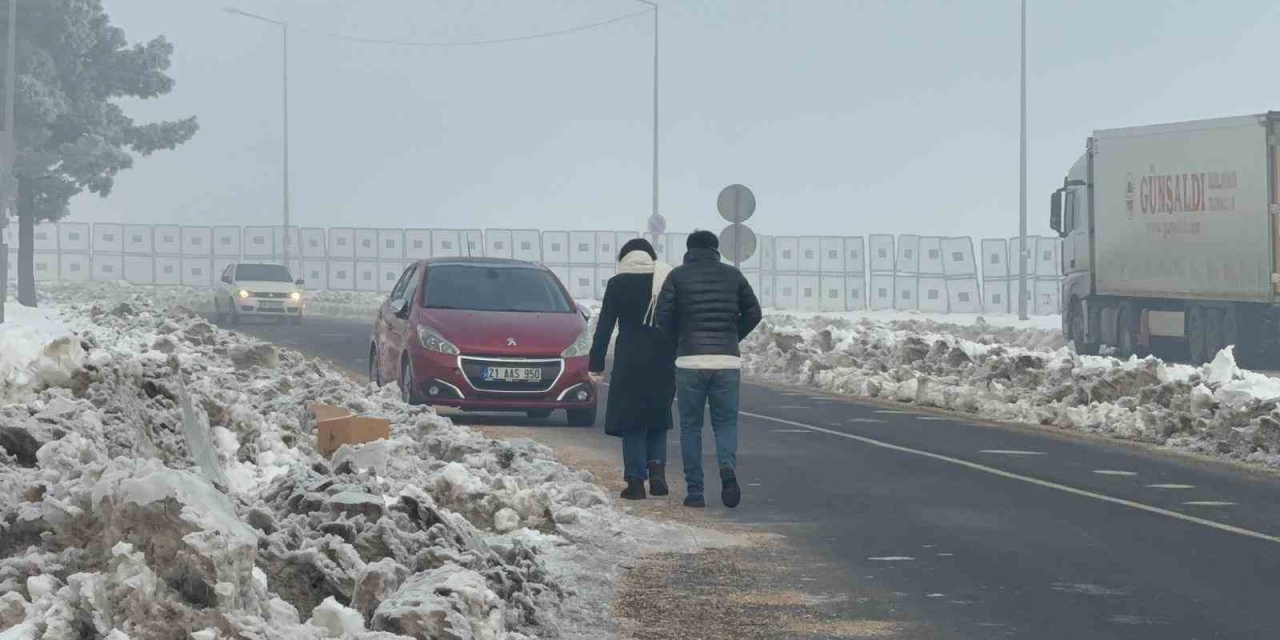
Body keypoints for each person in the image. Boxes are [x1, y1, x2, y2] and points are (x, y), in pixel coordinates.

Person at [654, 230, 762, 509]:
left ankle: (695, 491)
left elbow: (662, 316)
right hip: (726, 361)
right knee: (724, 423)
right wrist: (731, 336)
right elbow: (754, 312)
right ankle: (726, 468)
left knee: (691, 428)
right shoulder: (733, 275)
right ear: (716, 249)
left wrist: (679, 340)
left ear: (689, 250)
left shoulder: (677, 276)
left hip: (690, 361)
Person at [588, 238, 677, 500]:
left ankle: (636, 481)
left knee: (632, 420)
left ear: (624, 258)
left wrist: (596, 363)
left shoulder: (618, 283)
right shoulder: (665, 281)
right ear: (650, 257)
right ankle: (658, 472)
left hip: (629, 359)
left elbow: (604, 326)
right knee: (658, 416)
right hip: (663, 357)